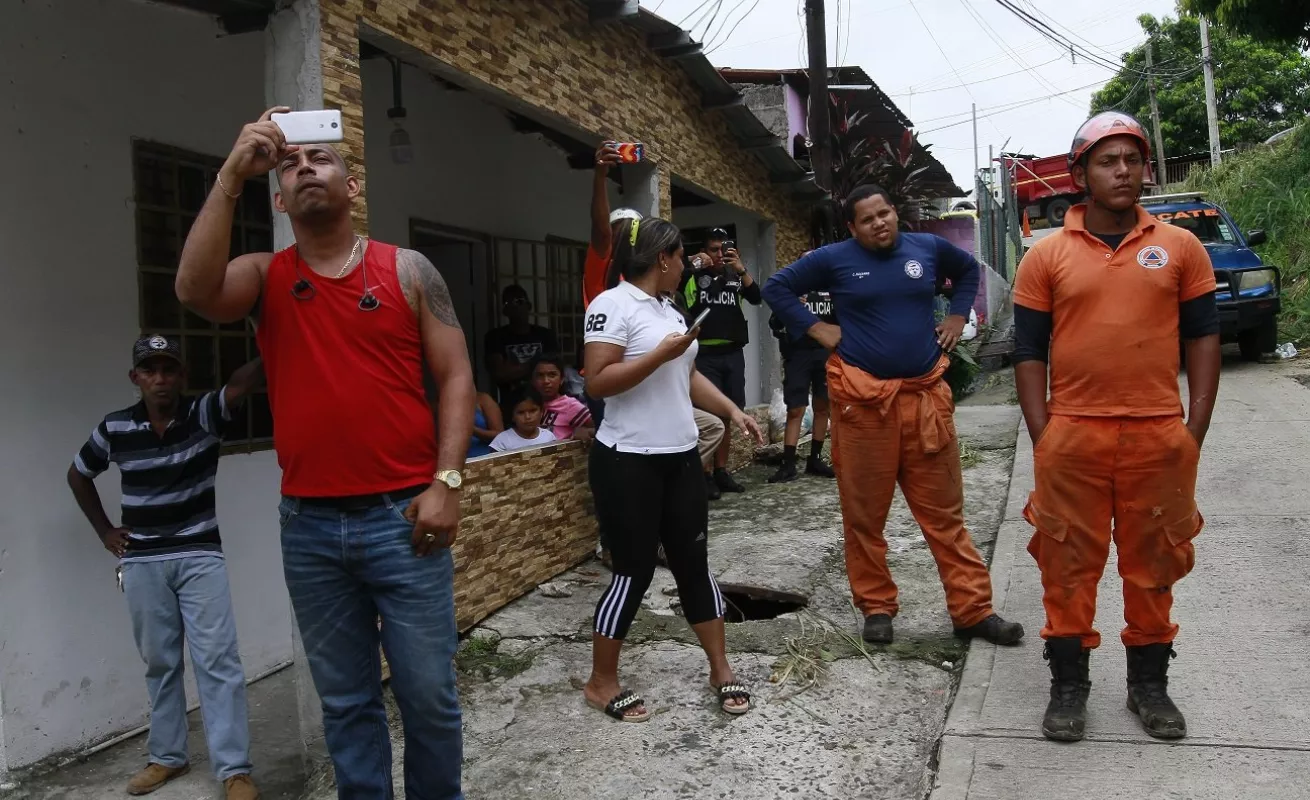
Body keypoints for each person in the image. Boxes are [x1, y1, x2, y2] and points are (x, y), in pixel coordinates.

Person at [174, 107, 475, 799]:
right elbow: (193, 291)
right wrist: (229, 174)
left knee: (428, 697)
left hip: (405, 520)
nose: (306, 167)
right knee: (347, 705)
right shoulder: (263, 275)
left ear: (353, 182)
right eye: (290, 164)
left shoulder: (407, 270)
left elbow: (457, 375)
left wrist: (449, 481)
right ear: (277, 198)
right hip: (309, 528)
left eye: (321, 158)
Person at [1012, 111, 1219, 743]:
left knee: (1154, 562)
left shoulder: (1181, 247)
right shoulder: (1046, 257)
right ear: (1080, 174)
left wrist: (1194, 429)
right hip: (1073, 434)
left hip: (1158, 433)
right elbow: (1029, 352)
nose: (1123, 170)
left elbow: (1204, 338)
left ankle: (1149, 687)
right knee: (1067, 564)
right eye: (1107, 160)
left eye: (1132, 158)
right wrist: (1045, 435)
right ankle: (1068, 687)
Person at [762, 184, 1024, 649]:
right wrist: (818, 327)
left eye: (884, 213)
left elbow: (966, 271)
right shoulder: (833, 258)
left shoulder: (926, 248)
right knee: (864, 518)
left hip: (925, 403)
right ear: (852, 228)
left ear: (894, 213)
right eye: (867, 219)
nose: (879, 222)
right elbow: (777, 288)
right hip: (863, 409)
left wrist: (958, 317)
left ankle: (973, 611)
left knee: (945, 517)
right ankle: (877, 607)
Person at [582, 215, 765, 722]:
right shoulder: (611, 305)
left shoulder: (670, 310)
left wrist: (730, 410)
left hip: (680, 458)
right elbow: (597, 382)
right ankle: (602, 681)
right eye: (680, 256)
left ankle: (720, 668)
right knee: (633, 573)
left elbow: (685, 376)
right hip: (627, 463)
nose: (685, 264)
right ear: (662, 259)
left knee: (693, 566)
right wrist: (658, 356)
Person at [66, 336, 263, 800]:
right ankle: (167, 757)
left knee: (218, 662)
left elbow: (239, 384)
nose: (160, 378)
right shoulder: (114, 428)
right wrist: (104, 532)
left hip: (199, 556)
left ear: (182, 377)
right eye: (150, 370)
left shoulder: (203, 416)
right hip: (143, 561)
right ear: (136, 378)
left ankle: (234, 770)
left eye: (168, 369)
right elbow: (78, 473)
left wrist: (273, 343)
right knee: (160, 663)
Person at [579, 140, 729, 500]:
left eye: (633, 229)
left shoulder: (656, 290)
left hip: (660, 394)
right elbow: (600, 230)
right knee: (623, 473)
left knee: (699, 435)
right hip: (614, 381)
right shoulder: (604, 275)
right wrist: (601, 177)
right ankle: (613, 541)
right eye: (623, 230)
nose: (628, 235)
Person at [681, 227, 763, 497]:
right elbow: (677, 289)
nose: (718, 254)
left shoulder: (734, 276)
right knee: (707, 416)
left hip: (732, 353)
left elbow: (756, 297)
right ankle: (703, 475)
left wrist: (740, 268)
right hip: (704, 355)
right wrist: (692, 264)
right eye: (713, 249)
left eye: (723, 249)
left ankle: (721, 471)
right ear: (704, 250)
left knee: (728, 413)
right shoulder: (694, 275)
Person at [767, 275, 837, 484]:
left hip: (825, 353)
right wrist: (790, 308)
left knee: (823, 404)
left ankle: (815, 459)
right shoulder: (792, 294)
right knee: (795, 408)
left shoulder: (831, 292)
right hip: (797, 354)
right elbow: (775, 323)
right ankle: (788, 463)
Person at [485, 284, 559, 406]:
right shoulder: (495, 337)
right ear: (504, 311)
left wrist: (516, 369)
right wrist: (535, 365)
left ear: (529, 306)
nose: (514, 307)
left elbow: (554, 370)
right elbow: (500, 374)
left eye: (519, 301)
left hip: (546, 402)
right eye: (508, 303)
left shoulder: (546, 335)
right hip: (511, 405)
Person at [530, 354, 595, 442]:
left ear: (561, 379)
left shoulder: (570, 405)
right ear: (532, 380)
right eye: (540, 375)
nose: (546, 381)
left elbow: (599, 430)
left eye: (552, 375)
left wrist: (585, 431)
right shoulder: (527, 405)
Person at [490, 387, 558, 452]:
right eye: (521, 412)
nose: (527, 417)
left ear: (541, 412)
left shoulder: (548, 437)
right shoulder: (502, 442)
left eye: (532, 411)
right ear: (512, 416)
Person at [469, 391, 504, 459]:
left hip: (484, 458)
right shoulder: (444, 401)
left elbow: (500, 436)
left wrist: (472, 429)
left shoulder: (483, 399)